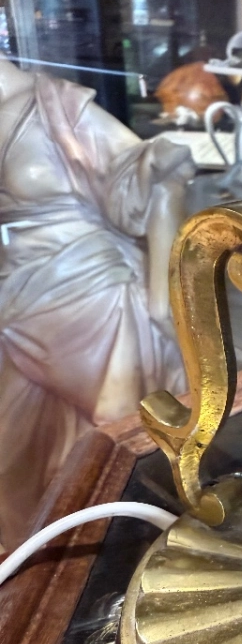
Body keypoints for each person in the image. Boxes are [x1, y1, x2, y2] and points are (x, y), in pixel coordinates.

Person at [0, 58, 192, 549]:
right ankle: (44, 561)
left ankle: (114, 554)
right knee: (15, 455)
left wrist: (162, 299)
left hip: (92, 296)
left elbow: (156, 171)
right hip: (13, 305)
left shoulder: (57, 107)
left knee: (111, 434)